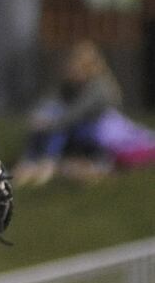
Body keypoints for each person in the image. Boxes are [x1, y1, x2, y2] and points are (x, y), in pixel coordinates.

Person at [13, 40, 123, 186]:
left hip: (97, 133)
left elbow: (75, 114)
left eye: (73, 66)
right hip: (76, 128)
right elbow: (50, 100)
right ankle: (30, 160)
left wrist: (47, 124)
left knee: (57, 123)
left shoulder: (99, 87)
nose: (69, 70)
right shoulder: (70, 84)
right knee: (50, 112)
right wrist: (39, 117)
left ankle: (45, 161)